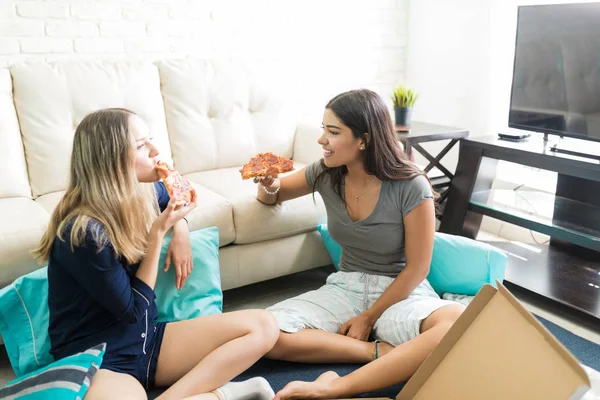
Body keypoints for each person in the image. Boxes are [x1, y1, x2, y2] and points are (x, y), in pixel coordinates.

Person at [32, 108, 279, 400]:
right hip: (97, 356)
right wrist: (158, 234)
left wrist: (181, 230)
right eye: (141, 145)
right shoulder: (84, 232)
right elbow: (134, 311)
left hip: (146, 338)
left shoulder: (142, 192)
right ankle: (221, 395)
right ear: (111, 158)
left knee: (264, 326)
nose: (155, 150)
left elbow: (180, 192)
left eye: (150, 139)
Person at [252, 89, 466, 399]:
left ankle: (335, 388)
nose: (321, 139)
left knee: (456, 322)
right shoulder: (326, 172)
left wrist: (369, 317)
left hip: (400, 291)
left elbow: (418, 268)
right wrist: (269, 185)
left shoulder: (411, 185)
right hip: (346, 287)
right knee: (265, 332)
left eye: (333, 131)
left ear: (364, 139)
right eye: (323, 128)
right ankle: (377, 352)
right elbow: (275, 194)